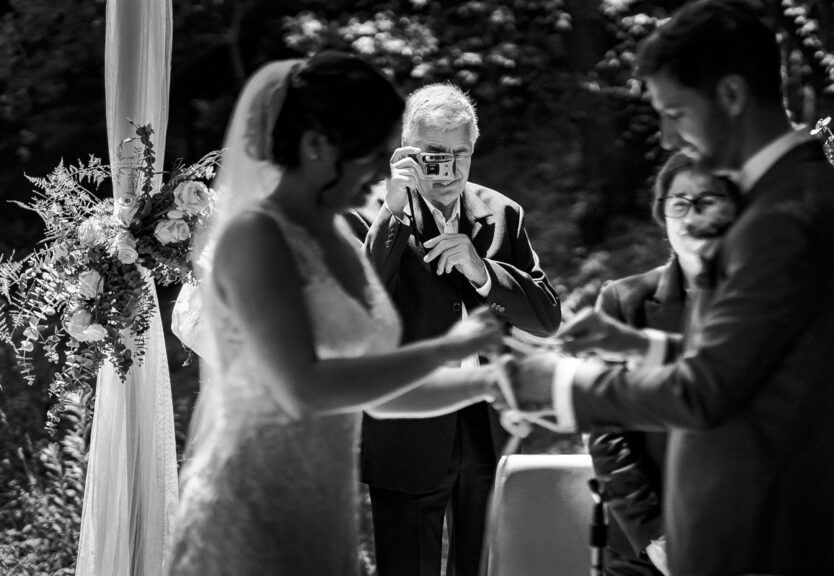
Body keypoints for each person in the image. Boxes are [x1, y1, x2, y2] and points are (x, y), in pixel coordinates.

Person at [508, 1, 834, 574]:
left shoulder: (783, 216)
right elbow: (755, 367)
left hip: (757, 538)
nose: (665, 135)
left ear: (730, 95)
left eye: (675, 112)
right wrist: (641, 346)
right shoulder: (790, 196)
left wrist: (559, 383)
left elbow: (706, 392)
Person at [166, 52, 507, 576]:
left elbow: (382, 393)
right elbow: (310, 386)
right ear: (315, 145)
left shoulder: (340, 242)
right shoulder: (257, 238)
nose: (380, 166)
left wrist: (486, 379)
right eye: (367, 150)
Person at [361, 83, 562, 576]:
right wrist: (393, 212)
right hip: (407, 425)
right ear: (407, 151)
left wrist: (484, 272)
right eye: (434, 155)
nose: (449, 170)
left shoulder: (503, 213)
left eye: (461, 154)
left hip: (488, 426)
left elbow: (545, 318)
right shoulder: (370, 211)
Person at [580, 153, 740, 576]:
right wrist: (655, 536)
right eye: (679, 204)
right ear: (662, 213)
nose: (692, 216)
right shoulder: (623, 301)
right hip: (647, 549)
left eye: (708, 202)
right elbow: (605, 430)